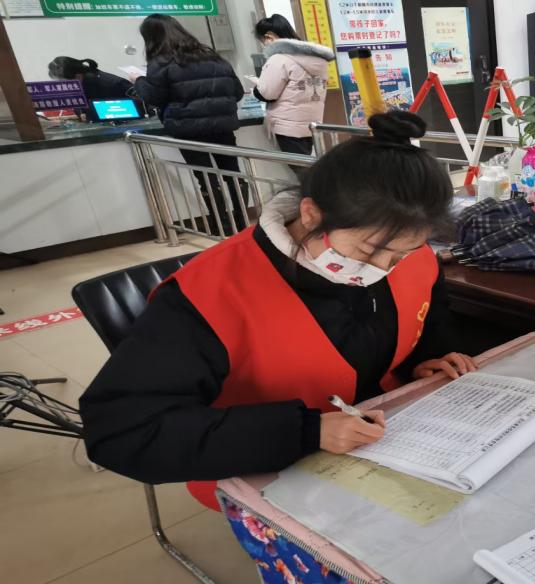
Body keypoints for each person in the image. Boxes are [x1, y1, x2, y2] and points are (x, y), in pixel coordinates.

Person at [79, 110, 477, 512]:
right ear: (311, 214)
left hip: (386, 439)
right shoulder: (207, 296)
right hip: (266, 464)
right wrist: (307, 433)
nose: (383, 270)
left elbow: (426, 318)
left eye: (401, 254)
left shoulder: (410, 257)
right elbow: (121, 432)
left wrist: (428, 360)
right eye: (368, 251)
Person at [130, 13, 249, 233]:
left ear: (151, 38)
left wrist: (138, 81)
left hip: (189, 130)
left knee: (206, 178)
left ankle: (221, 226)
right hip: (223, 126)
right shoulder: (212, 56)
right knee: (233, 173)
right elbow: (238, 92)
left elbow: (154, 97)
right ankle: (242, 223)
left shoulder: (161, 63)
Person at [252, 14, 334, 158]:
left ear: (269, 37)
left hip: (288, 126)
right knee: (308, 162)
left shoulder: (279, 59)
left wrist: (256, 89)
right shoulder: (317, 58)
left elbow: (267, 94)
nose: (264, 45)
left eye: (263, 41)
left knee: (299, 167)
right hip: (312, 123)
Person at [47, 56, 133, 121]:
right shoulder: (79, 84)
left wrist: (91, 113)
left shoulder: (111, 83)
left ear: (78, 76)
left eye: (66, 82)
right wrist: (82, 113)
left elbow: (128, 109)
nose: (65, 86)